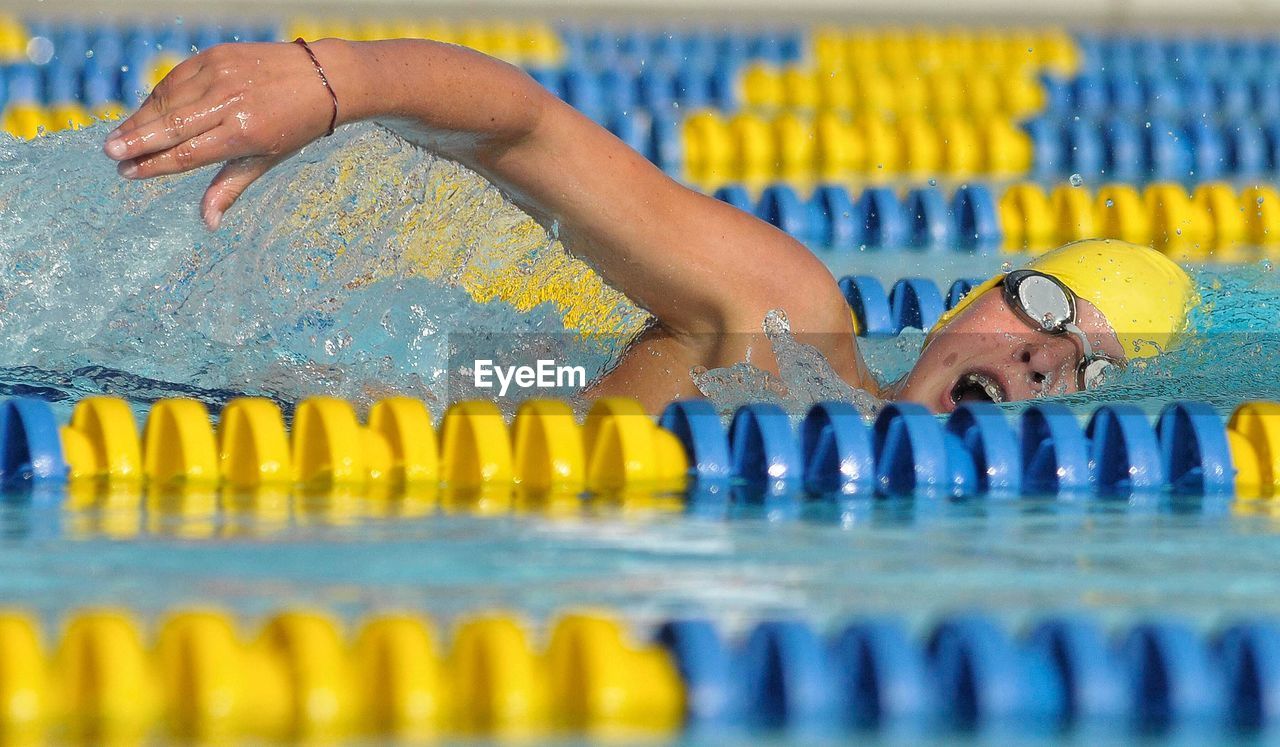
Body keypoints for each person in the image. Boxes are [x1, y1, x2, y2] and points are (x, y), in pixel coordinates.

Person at [101, 38, 1198, 414]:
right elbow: (527, 129)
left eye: (1084, 367)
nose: (1040, 354)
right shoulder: (781, 325)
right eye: (1045, 306)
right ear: (973, 298)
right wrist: (330, 80)